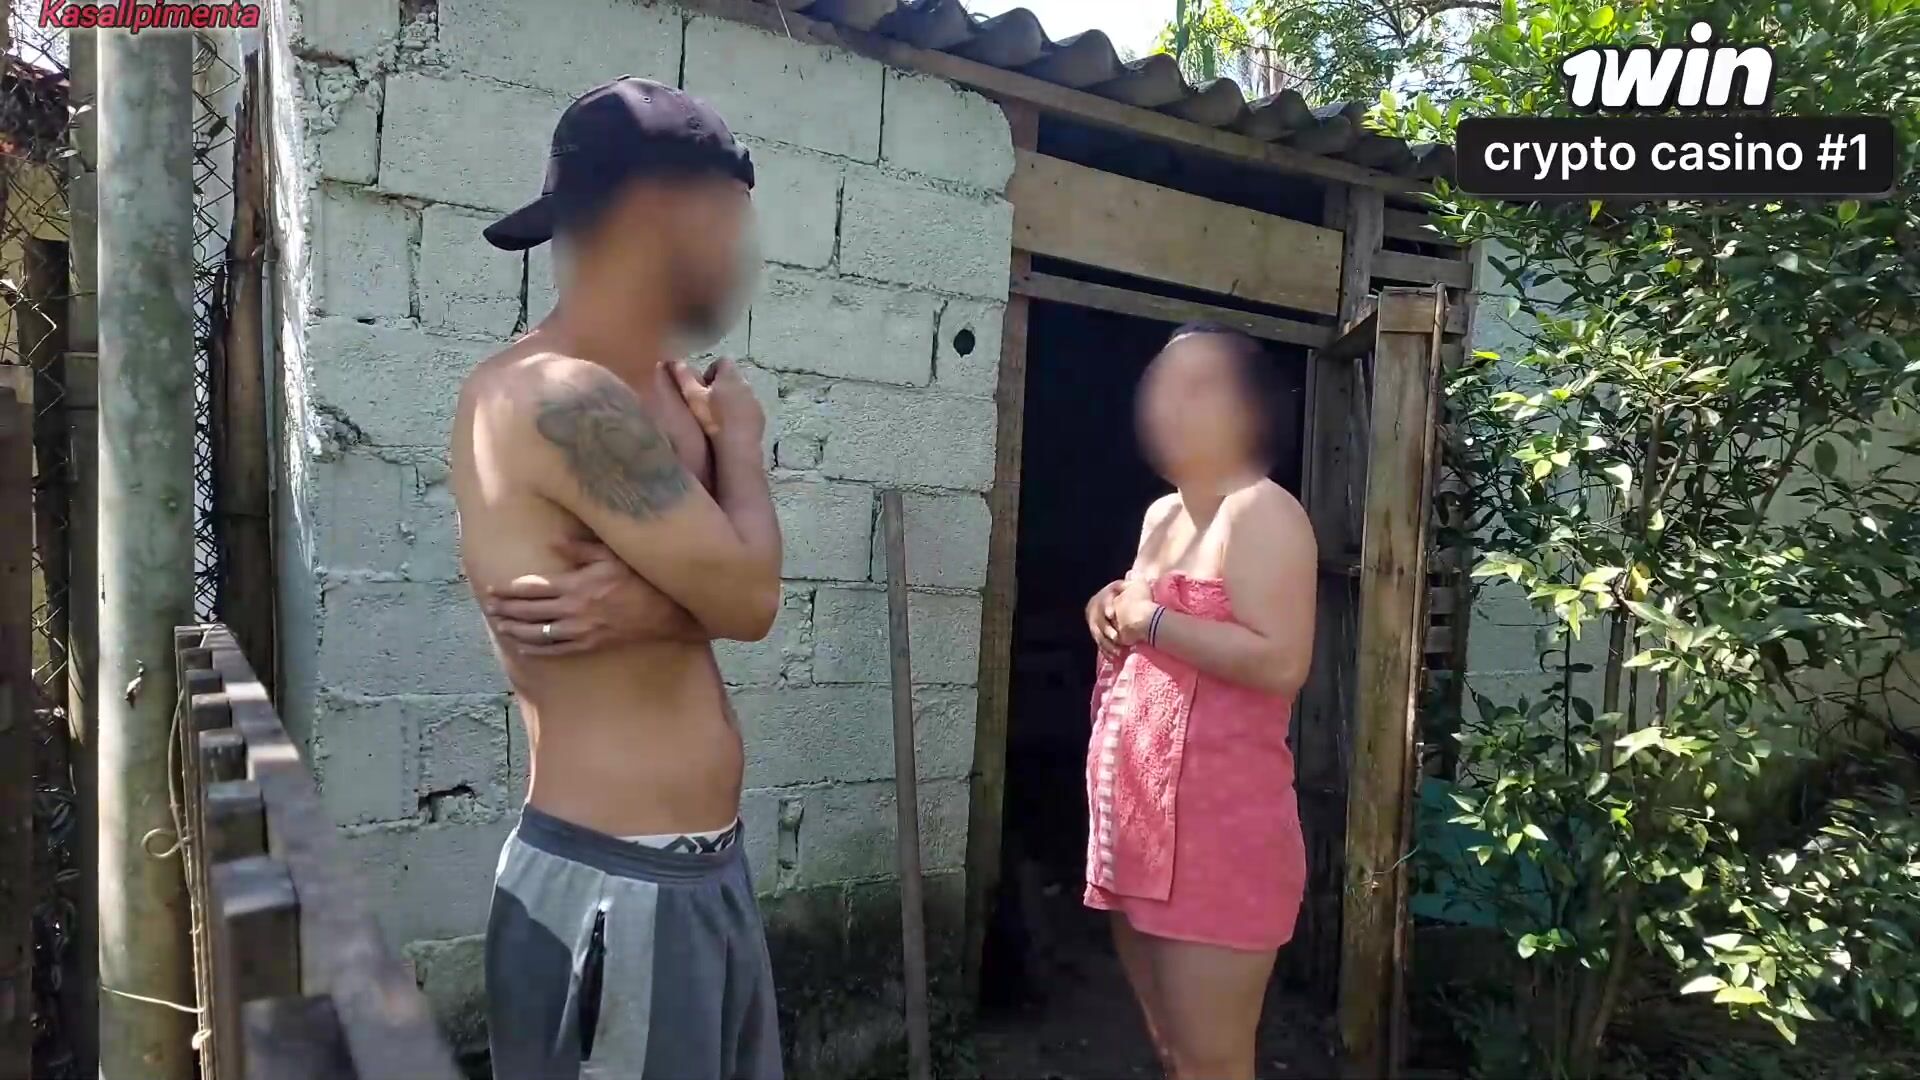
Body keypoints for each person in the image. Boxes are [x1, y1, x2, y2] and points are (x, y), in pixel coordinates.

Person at [450, 76, 784, 1080]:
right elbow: (750, 598)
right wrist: (745, 449)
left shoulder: (670, 395)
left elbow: (732, 585)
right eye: (730, 220)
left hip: (703, 874)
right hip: (618, 888)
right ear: (659, 217)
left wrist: (654, 604)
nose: (741, 252)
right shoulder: (558, 398)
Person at [1081, 324, 1318, 1080]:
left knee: (1212, 1063)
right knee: (1176, 1054)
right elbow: (1148, 618)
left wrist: (1149, 621)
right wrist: (1107, 608)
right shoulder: (1162, 517)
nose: (1169, 402)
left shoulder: (1261, 510)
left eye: (1199, 385)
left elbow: (1281, 661)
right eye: (1162, 383)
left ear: (1254, 412)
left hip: (1219, 839)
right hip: (1142, 830)